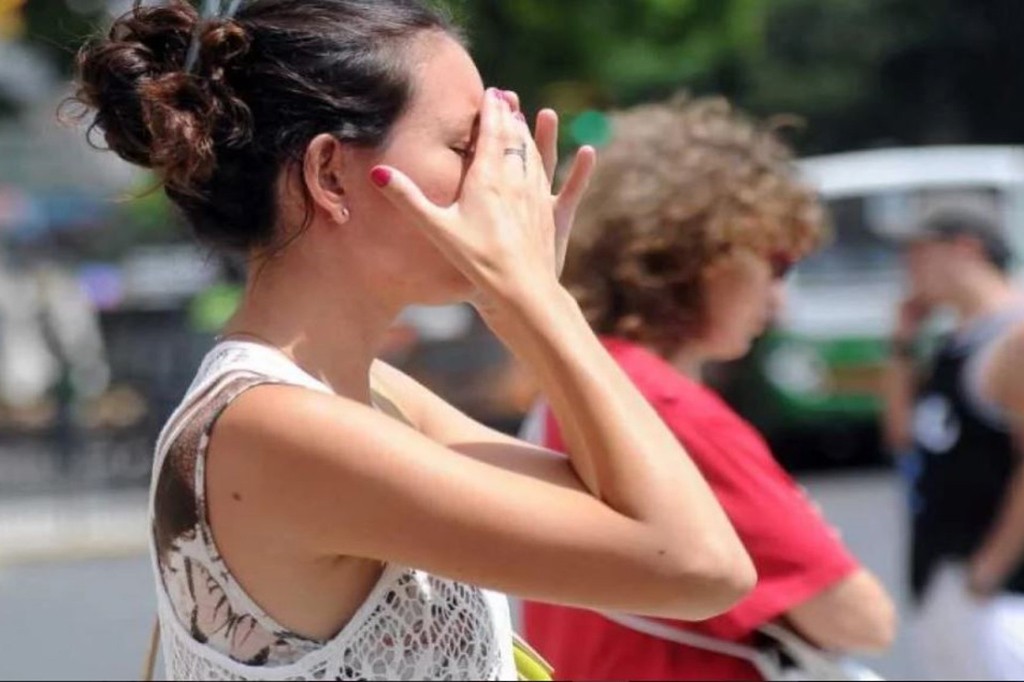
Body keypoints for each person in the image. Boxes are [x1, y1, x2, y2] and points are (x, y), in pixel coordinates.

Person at [72, 2, 756, 681]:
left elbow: (622, 505)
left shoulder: (373, 396)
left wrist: (523, 296)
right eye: (467, 147)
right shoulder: (278, 428)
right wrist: (538, 300)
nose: (503, 179)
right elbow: (699, 567)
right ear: (331, 174)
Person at [520, 95, 896, 681]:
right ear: (704, 254)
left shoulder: (577, 381)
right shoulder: (666, 408)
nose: (778, 295)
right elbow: (860, 618)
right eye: (775, 261)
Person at [882, 200, 1024, 680]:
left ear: (966, 248)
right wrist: (901, 345)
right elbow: (904, 436)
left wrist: (988, 570)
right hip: (943, 570)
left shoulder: (1013, 338)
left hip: (1000, 590)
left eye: (918, 255)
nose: (908, 272)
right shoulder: (951, 341)